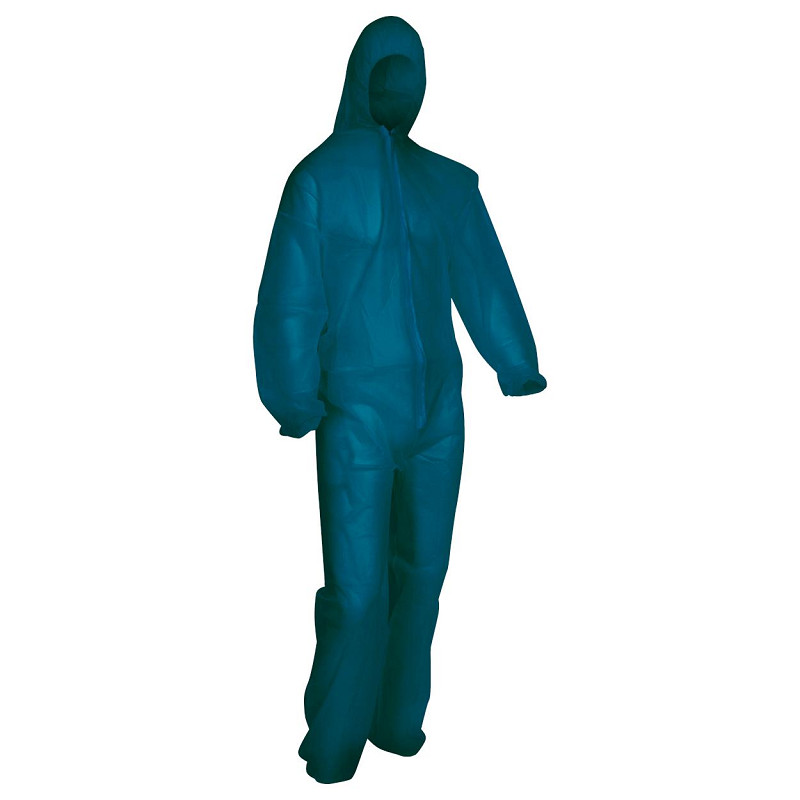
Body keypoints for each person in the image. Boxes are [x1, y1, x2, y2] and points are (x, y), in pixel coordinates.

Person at [253, 15, 547, 784]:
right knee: (358, 593)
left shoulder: (447, 184)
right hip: (356, 415)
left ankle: (396, 720)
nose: (400, 88)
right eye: (388, 74)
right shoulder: (317, 181)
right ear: (361, 79)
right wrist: (293, 397)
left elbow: (484, 277)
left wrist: (516, 362)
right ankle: (334, 743)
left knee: (422, 581)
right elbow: (290, 300)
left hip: (439, 418)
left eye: (410, 75)